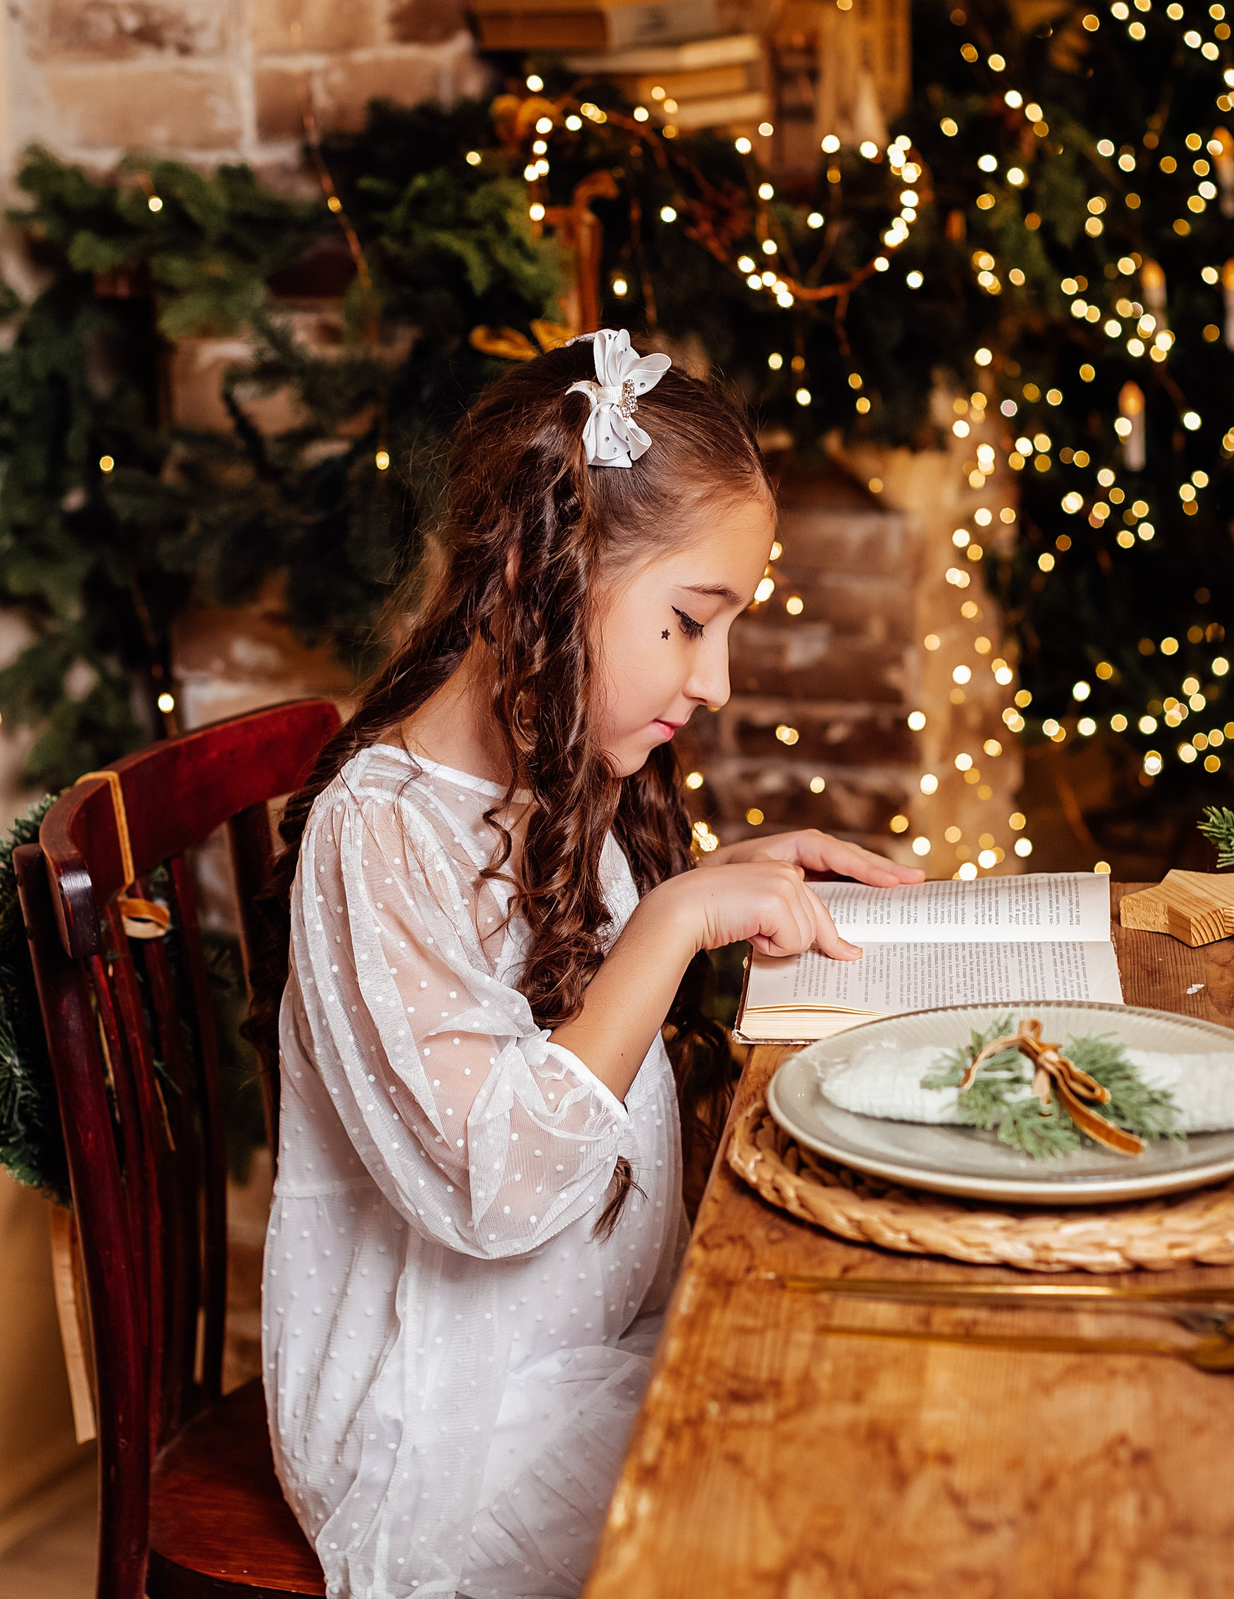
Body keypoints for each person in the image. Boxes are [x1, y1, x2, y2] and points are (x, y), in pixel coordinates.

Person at [256, 331, 921, 1598]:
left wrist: (724, 877)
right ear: (534, 573)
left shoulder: (559, 769)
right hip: (443, 1430)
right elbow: (496, 1186)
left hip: (587, 1345)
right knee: (819, 1508)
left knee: (859, 1389)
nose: (715, 682)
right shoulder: (378, 832)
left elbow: (552, 1013)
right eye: (686, 623)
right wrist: (673, 921)